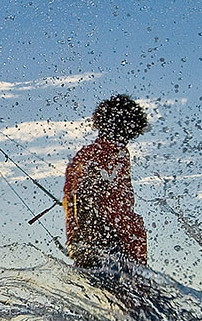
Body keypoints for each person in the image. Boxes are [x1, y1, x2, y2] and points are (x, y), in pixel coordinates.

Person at [64, 94, 150, 270]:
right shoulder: (110, 153)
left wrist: (81, 243)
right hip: (112, 247)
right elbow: (85, 195)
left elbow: (77, 198)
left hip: (93, 245)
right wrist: (98, 243)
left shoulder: (84, 155)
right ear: (127, 126)